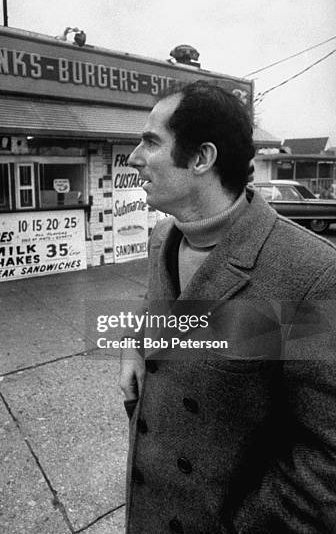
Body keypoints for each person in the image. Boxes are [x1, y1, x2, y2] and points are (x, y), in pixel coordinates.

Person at [119, 81, 336, 533]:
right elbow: (160, 313)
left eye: (151, 141)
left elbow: (325, 457)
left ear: (201, 158)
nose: (134, 157)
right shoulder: (163, 237)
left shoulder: (311, 274)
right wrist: (134, 347)